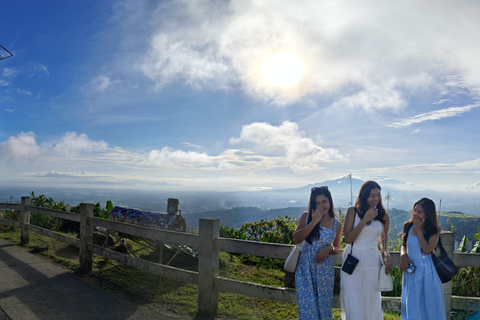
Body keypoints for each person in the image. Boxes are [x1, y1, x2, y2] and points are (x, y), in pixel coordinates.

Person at [340, 180, 392, 320]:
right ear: (364, 196)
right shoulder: (353, 211)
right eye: (372, 196)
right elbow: (348, 239)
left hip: (372, 260)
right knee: (353, 296)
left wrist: (386, 256)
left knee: (370, 297)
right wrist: (365, 219)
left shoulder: (384, 217)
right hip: (353, 258)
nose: (376, 199)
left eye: (378, 195)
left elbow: (384, 243)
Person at [293, 186, 343, 320]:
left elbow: (337, 247)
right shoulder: (306, 216)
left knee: (324, 308)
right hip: (305, 268)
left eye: (324, 202)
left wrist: (329, 249)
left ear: (330, 202)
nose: (321, 205)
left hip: (324, 270)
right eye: (317, 203)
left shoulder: (336, 224)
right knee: (307, 308)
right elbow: (296, 238)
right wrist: (315, 220)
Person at [400, 198, 446, 320]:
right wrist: (403, 255)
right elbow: (404, 245)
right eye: (415, 210)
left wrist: (419, 229)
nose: (415, 214)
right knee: (413, 305)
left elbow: (427, 249)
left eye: (419, 212)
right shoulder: (408, 225)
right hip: (411, 271)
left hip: (427, 271)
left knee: (429, 305)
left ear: (428, 214)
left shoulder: (435, 229)